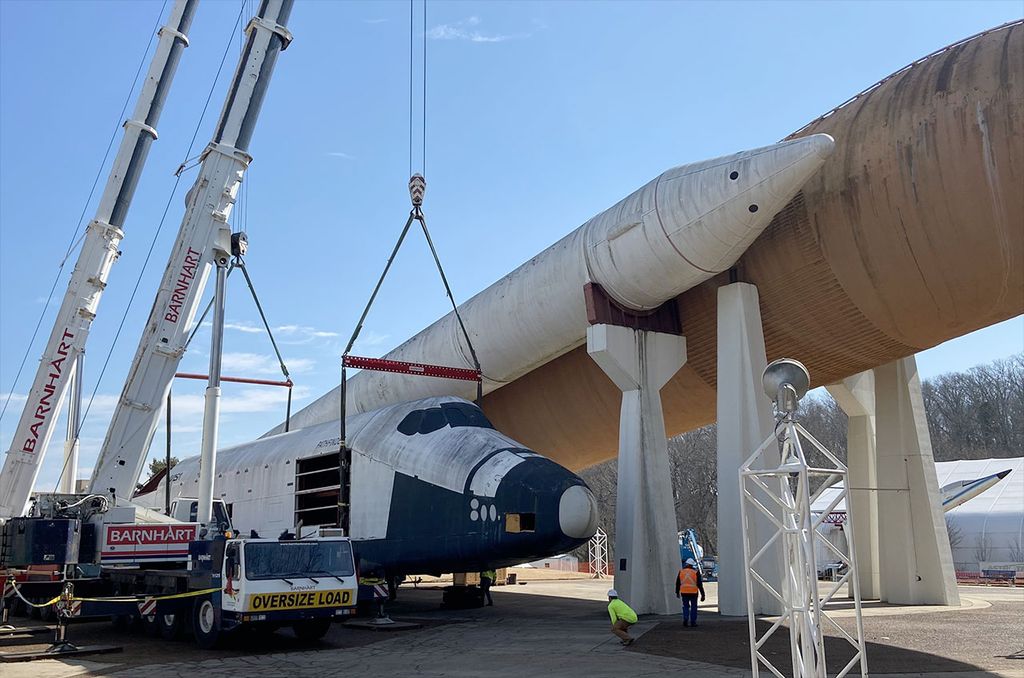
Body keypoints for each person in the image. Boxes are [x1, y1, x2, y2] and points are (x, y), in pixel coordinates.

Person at [674, 558, 706, 627]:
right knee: (693, 607)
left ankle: (685, 619)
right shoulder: (695, 572)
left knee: (685, 606)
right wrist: (703, 595)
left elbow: (677, 583)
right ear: (692, 565)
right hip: (693, 592)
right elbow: (700, 585)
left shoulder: (681, 572)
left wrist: (677, 592)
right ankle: (693, 622)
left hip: (684, 592)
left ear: (686, 564)